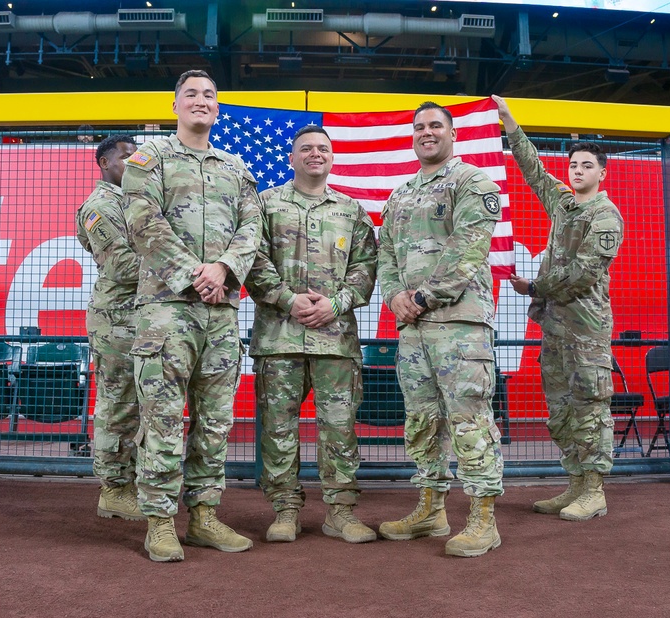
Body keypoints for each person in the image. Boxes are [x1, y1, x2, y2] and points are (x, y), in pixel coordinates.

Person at [122, 70, 263, 562]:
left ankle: (203, 516)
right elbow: (142, 220)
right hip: (167, 309)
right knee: (162, 417)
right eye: (191, 94)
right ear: (175, 105)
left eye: (209, 95)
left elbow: (252, 226)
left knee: (216, 420)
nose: (200, 101)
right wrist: (193, 273)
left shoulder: (235, 166)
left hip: (221, 312)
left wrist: (223, 269)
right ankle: (160, 521)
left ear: (217, 107)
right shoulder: (150, 159)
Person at [376, 101, 505, 557]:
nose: (426, 132)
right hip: (413, 330)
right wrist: (394, 297)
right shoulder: (400, 195)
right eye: (419, 127)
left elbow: (468, 251)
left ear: (452, 135)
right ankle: (431, 510)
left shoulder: (472, 182)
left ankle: (482, 519)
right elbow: (386, 257)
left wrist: (422, 299)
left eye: (435, 126)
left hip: (459, 324)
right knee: (422, 421)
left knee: (469, 421)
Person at [492, 94, 624, 522]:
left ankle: (595, 490)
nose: (578, 171)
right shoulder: (564, 204)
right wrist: (512, 126)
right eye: (574, 166)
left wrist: (534, 286)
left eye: (587, 165)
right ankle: (575, 485)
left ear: (602, 173)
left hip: (586, 332)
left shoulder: (606, 217)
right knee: (562, 411)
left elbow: (584, 273)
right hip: (555, 329)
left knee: (590, 408)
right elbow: (533, 170)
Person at [245, 124, 379, 544]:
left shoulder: (351, 211)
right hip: (278, 337)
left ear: (332, 157)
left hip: (335, 340)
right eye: (306, 149)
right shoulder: (265, 205)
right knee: (278, 428)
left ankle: (340, 512)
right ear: (292, 157)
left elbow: (367, 267)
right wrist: (287, 299)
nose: (315, 154)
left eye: (323, 148)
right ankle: (285, 510)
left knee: (340, 427)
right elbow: (251, 259)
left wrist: (336, 304)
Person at [76, 135, 143, 522]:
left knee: (143, 406)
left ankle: (134, 484)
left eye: (138, 157)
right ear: (104, 162)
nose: (133, 162)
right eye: (125, 157)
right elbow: (123, 267)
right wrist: (183, 269)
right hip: (117, 321)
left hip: (142, 318)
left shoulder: (137, 201)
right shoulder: (101, 206)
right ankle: (114, 490)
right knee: (118, 406)